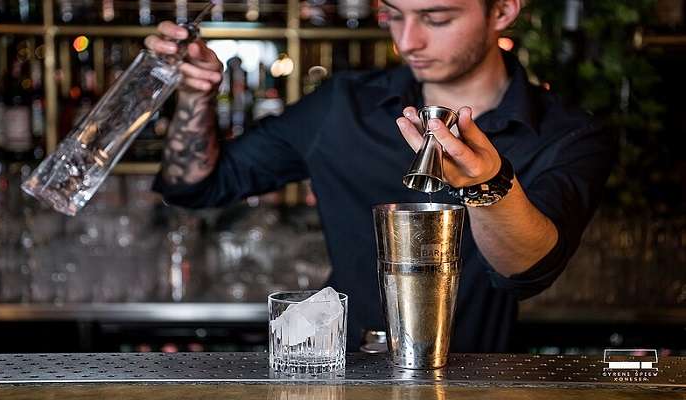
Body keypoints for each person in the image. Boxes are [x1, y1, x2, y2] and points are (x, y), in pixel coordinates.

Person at [145, 0, 615, 352]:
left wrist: (485, 184)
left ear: (504, 10)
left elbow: (527, 271)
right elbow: (198, 186)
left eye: (436, 18)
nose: (408, 40)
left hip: (477, 378)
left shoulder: (565, 135)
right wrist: (194, 94)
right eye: (393, 15)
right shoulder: (342, 107)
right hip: (335, 375)